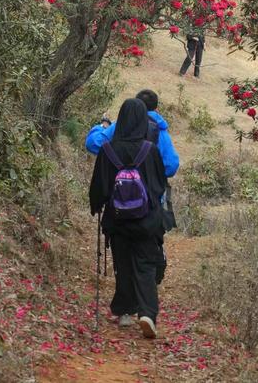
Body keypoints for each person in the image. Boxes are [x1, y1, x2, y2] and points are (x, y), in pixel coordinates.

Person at [89, 98, 166, 339]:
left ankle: (124, 312)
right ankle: (147, 314)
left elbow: (99, 188)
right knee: (145, 265)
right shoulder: (150, 150)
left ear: (120, 120)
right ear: (144, 121)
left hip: (117, 219)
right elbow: (159, 186)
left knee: (122, 264)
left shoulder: (108, 150)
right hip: (146, 221)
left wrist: (97, 206)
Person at [85, 89, 179, 179]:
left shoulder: (120, 125)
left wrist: (103, 126)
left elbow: (92, 144)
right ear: (156, 109)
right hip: (149, 193)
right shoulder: (161, 132)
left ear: (135, 104)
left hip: (119, 187)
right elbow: (171, 166)